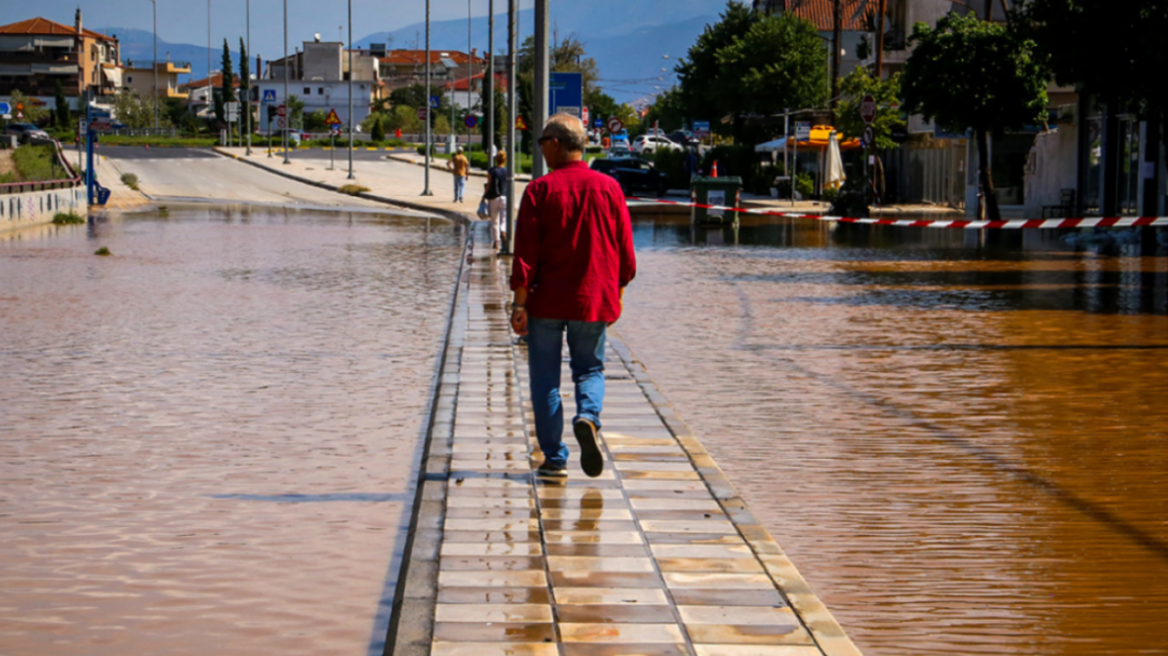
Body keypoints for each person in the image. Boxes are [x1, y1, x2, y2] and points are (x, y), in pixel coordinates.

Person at [509, 113, 636, 478]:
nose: (541, 150)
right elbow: (625, 252)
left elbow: (525, 255)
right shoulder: (609, 188)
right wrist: (619, 291)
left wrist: (519, 305)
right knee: (590, 368)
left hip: (545, 303)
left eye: (541, 143)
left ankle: (555, 459)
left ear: (554, 144)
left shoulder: (539, 191)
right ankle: (587, 417)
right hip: (592, 300)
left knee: (546, 380)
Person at [483, 151, 509, 250]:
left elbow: (489, 184)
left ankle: (496, 242)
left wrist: (484, 196)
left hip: (493, 197)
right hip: (504, 197)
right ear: (505, 160)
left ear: (496, 159)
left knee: (494, 221)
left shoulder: (491, 170)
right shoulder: (507, 171)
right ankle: (503, 231)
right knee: (503, 219)